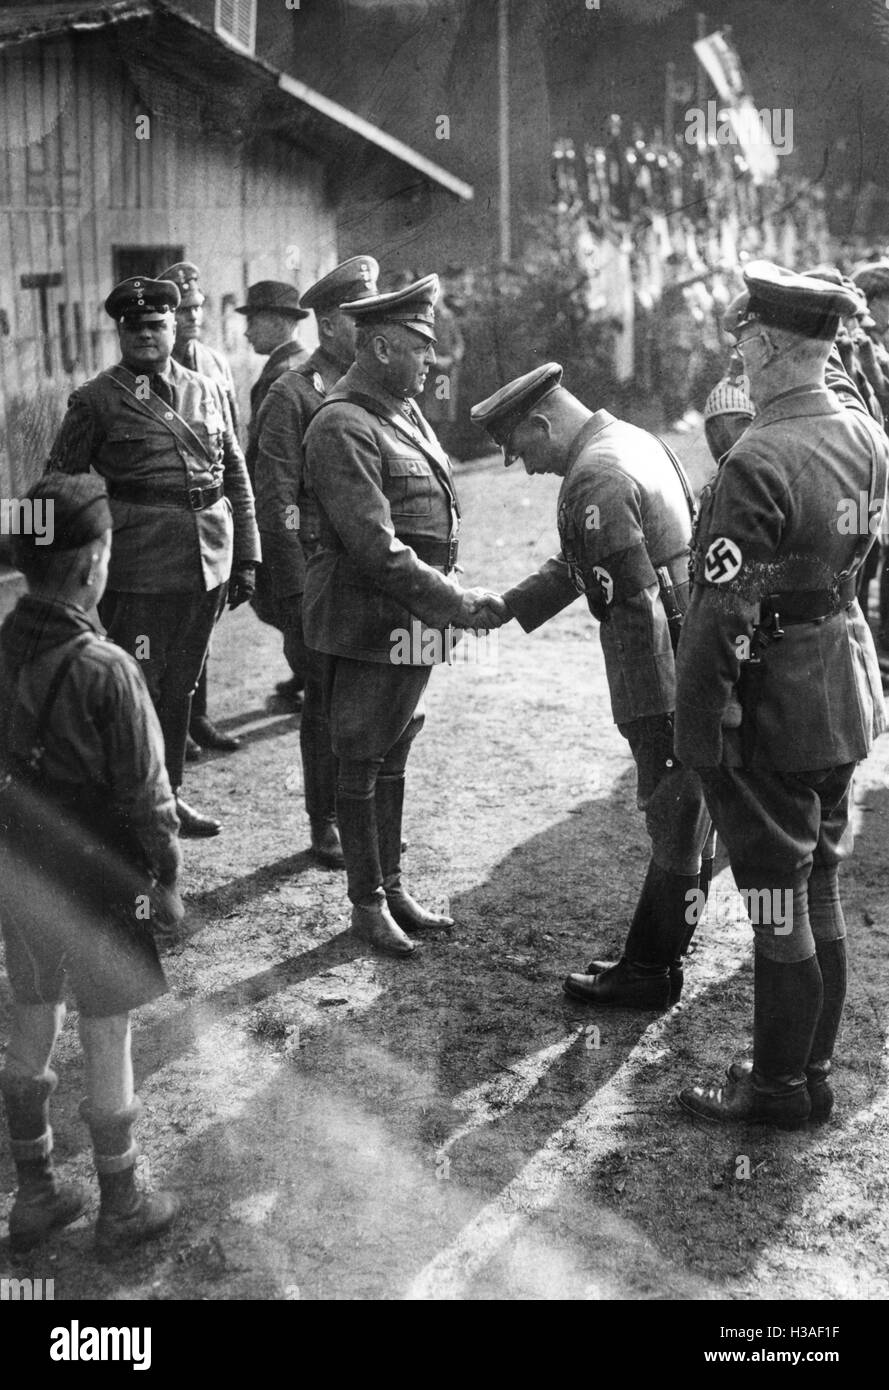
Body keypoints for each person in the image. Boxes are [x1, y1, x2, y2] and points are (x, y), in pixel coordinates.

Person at [674, 263, 889, 1128]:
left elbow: (721, 615)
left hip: (773, 705)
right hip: (840, 684)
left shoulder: (757, 456)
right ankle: (813, 1072)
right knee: (820, 883)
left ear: (765, 347)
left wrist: (695, 734)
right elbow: (860, 569)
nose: (740, 362)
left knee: (774, 898)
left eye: (744, 346)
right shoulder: (868, 437)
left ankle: (773, 1091)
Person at [471, 363, 713, 1009]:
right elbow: (589, 557)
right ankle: (662, 955)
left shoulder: (594, 473)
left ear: (542, 423)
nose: (524, 468)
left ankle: (649, 971)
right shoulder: (632, 440)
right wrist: (513, 604)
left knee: (672, 817)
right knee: (691, 815)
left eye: (521, 449)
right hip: (696, 656)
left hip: (663, 673)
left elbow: (635, 609)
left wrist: (649, 720)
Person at [0, 473, 181, 1255]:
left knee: (30, 1016)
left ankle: (34, 1193)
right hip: (101, 875)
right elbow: (150, 802)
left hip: (20, 863)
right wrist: (166, 881)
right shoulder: (108, 668)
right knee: (107, 1033)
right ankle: (122, 1202)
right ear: (92, 562)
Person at [302, 273, 503, 956]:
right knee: (359, 758)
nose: (431, 363)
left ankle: (388, 885)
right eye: (421, 349)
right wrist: (455, 601)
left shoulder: (397, 409)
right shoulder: (340, 424)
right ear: (383, 346)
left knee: (394, 748)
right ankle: (365, 905)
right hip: (367, 622)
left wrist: (445, 590)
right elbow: (374, 547)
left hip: (407, 617)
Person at [47, 276, 261, 836]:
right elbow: (58, 484)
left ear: (174, 327)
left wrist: (248, 555)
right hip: (139, 570)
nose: (145, 335)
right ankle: (129, 808)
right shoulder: (96, 400)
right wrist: (63, 569)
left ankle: (170, 799)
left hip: (208, 561)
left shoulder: (205, 387)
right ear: (120, 331)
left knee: (181, 687)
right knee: (136, 688)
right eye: (133, 326)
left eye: (156, 324)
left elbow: (234, 473)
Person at [253, 256, 379, 869]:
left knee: (376, 702)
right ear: (330, 326)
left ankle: (365, 821)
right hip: (319, 579)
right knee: (325, 704)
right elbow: (275, 500)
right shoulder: (293, 393)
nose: (375, 326)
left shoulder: (379, 388)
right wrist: (298, 592)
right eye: (361, 318)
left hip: (374, 576)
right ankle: (324, 821)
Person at [161, 260, 242, 759]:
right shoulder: (152, 372)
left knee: (206, 619)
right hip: (172, 517)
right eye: (183, 310)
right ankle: (178, 724)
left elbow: (233, 431)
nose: (193, 317)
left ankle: (200, 717)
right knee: (169, 627)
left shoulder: (214, 363)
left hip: (216, 504)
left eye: (197, 308)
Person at [237, 280, 311, 710]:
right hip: (293, 507)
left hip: (284, 507)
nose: (247, 333)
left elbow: (274, 456)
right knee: (283, 600)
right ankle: (305, 675)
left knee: (283, 597)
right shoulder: (294, 365)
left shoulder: (284, 375)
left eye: (254, 321)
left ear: (281, 322)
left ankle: (311, 679)